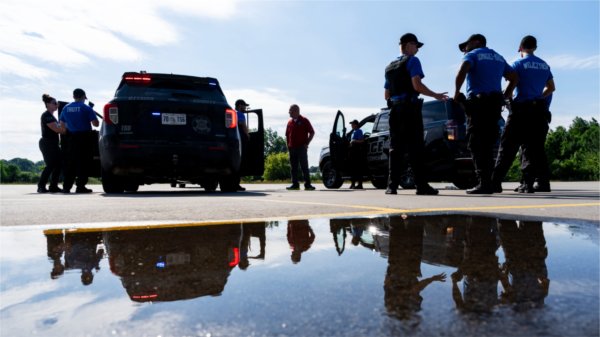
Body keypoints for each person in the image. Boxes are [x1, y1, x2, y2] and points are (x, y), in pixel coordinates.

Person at [384, 33, 448, 195]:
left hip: (395, 111)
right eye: (416, 45)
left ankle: (391, 186)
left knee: (395, 148)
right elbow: (417, 85)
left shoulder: (389, 66)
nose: (418, 50)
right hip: (409, 109)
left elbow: (386, 95)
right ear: (407, 44)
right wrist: (435, 95)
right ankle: (421, 186)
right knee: (416, 147)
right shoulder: (412, 61)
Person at [454, 34, 518, 194]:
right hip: (495, 104)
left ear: (476, 42)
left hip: (478, 103)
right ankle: (489, 182)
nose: (464, 50)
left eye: (466, 45)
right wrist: (506, 95)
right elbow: (514, 77)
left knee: (476, 143)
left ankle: (484, 184)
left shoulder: (473, 55)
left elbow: (463, 70)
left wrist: (456, 91)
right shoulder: (498, 57)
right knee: (489, 144)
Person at [492, 35, 555, 193]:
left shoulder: (518, 64)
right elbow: (551, 88)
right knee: (535, 148)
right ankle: (536, 184)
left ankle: (495, 182)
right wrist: (538, 97)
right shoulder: (544, 65)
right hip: (539, 111)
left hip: (521, 110)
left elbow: (511, 84)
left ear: (520, 48)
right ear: (535, 48)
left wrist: (504, 98)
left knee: (507, 147)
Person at [59, 88, 99, 193]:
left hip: (71, 138)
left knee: (71, 162)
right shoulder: (86, 107)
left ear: (73, 96)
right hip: (85, 138)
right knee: (83, 162)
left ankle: (66, 187)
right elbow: (96, 123)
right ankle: (80, 186)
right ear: (83, 97)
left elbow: (62, 124)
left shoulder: (65, 108)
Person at [37, 94, 66, 193]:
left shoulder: (52, 116)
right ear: (48, 104)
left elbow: (59, 128)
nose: (56, 105)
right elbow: (57, 130)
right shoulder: (46, 116)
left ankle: (53, 186)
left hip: (53, 143)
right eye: (54, 103)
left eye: (57, 103)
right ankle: (41, 186)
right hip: (47, 143)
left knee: (59, 164)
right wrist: (66, 130)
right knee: (50, 164)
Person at [285, 104, 316, 190]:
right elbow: (287, 135)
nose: (289, 112)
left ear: (296, 111)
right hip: (292, 148)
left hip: (301, 147)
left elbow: (312, 132)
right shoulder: (289, 122)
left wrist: (307, 143)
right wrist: (288, 145)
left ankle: (308, 184)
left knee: (304, 166)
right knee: (293, 167)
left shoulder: (304, 120)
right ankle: (295, 184)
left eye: (290, 110)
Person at [234, 99, 250, 192]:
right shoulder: (240, 114)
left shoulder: (231, 113)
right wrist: (248, 135)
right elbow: (243, 126)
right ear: (240, 105)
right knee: (240, 162)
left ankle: (233, 182)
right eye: (244, 106)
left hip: (234, 140)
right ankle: (236, 183)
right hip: (241, 139)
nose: (245, 108)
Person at [348, 120, 365, 189]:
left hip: (357, 151)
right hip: (352, 152)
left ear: (356, 125)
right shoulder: (353, 132)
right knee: (352, 168)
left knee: (358, 168)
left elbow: (362, 140)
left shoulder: (359, 131)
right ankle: (353, 184)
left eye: (352, 124)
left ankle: (360, 184)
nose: (351, 125)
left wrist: (354, 141)